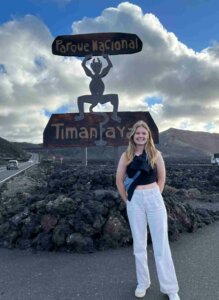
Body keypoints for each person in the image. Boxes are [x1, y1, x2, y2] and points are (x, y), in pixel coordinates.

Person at [116, 120, 180, 300]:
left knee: (161, 244)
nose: (141, 136)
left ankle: (170, 288)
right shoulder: (126, 156)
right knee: (139, 244)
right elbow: (119, 181)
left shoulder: (155, 154)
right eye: (138, 133)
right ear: (133, 136)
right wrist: (127, 200)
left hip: (153, 198)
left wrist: (155, 195)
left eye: (144, 134)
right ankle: (143, 282)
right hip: (134, 200)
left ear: (148, 136)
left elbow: (162, 178)